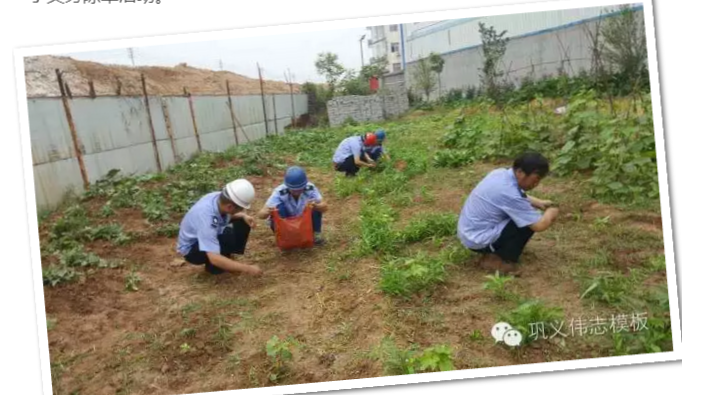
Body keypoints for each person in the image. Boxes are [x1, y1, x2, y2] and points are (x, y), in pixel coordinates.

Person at [457, 152, 560, 274]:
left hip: (469, 232)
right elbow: (539, 225)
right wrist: (551, 212)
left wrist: (538, 202)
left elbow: (514, 196)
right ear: (520, 172)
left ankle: (496, 251)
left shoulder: (500, 174)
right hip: (478, 239)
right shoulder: (508, 192)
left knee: (524, 214)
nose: (536, 184)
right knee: (526, 223)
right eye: (535, 179)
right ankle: (495, 260)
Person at [176, 179, 263, 276]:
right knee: (226, 234)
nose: (242, 210)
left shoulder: (219, 198)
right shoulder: (207, 219)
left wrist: (243, 216)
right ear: (230, 207)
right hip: (192, 250)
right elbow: (214, 258)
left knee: (241, 222)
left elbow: (225, 215)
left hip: (202, 235)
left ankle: (226, 257)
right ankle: (215, 268)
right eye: (241, 208)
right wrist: (248, 269)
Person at [257, 166, 328, 245]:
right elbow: (260, 215)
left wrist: (317, 206)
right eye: (294, 189)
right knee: (279, 208)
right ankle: (284, 237)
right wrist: (267, 212)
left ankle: (316, 235)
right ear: (287, 186)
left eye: (300, 189)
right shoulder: (279, 192)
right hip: (287, 222)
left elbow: (325, 207)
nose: (297, 192)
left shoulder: (310, 188)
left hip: (304, 222)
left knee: (315, 207)